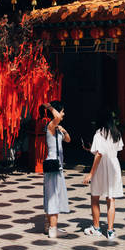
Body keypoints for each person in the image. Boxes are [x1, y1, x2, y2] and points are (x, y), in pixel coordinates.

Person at [82, 109, 124, 241]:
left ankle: (96, 228)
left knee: (95, 197)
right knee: (111, 199)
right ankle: (110, 231)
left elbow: (99, 154)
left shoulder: (99, 134)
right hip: (114, 166)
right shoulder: (116, 133)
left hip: (101, 167)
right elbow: (115, 149)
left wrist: (90, 174)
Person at [42, 101, 70, 239]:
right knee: (53, 197)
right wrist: (49, 107)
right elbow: (57, 117)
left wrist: (64, 130)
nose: (63, 114)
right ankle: (53, 229)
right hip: (53, 165)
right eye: (62, 111)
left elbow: (68, 140)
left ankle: (49, 225)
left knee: (52, 195)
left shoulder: (57, 128)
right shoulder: (50, 126)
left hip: (56, 166)